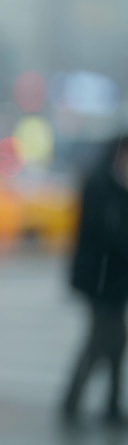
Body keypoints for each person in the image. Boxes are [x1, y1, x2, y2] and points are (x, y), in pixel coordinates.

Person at [62, 132, 128, 427]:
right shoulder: (102, 183)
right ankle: (75, 401)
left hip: (115, 281)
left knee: (114, 341)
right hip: (99, 279)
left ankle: (109, 403)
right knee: (101, 340)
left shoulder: (117, 185)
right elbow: (105, 232)